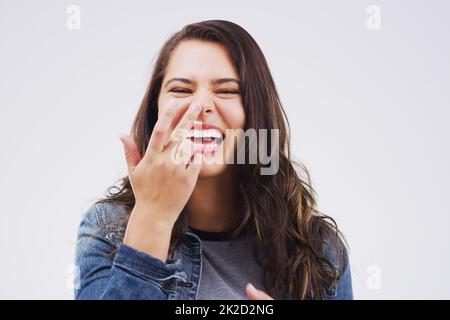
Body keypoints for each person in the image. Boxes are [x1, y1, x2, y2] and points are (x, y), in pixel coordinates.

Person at [74, 20, 353, 300]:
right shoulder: (109, 229)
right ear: (155, 113)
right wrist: (153, 217)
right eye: (181, 90)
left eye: (227, 91)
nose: (201, 106)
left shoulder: (320, 247)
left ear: (255, 113)